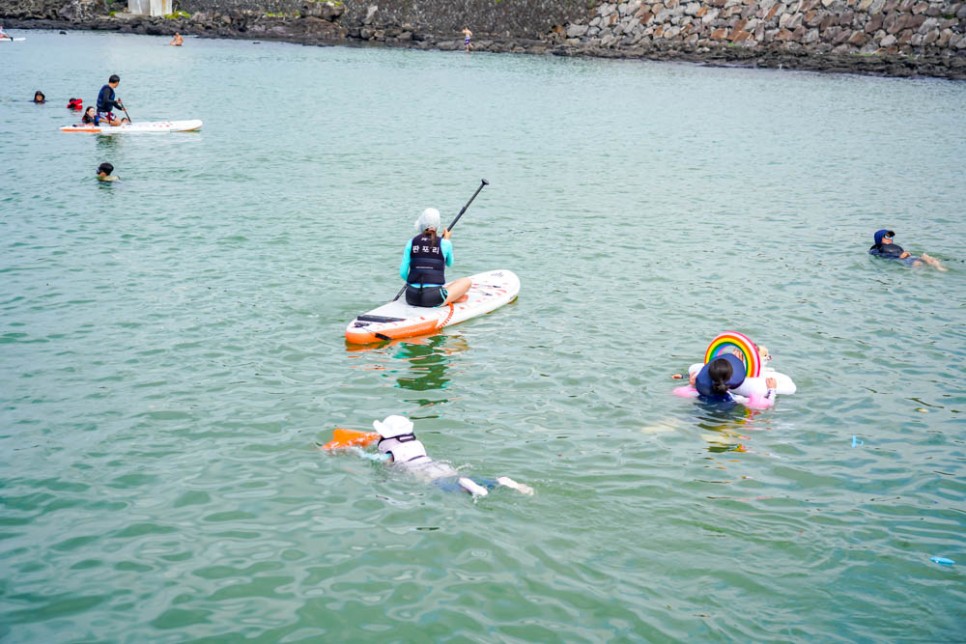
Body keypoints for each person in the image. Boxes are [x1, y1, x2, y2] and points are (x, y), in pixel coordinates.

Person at [362, 415, 533, 498]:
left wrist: (358, 453)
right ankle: (501, 481)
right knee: (457, 477)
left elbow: (379, 462)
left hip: (427, 475)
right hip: (438, 466)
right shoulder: (416, 443)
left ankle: (473, 488)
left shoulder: (391, 453)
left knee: (454, 487)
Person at [400, 207, 472, 307]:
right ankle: (451, 298)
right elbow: (450, 263)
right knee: (466, 282)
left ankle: (451, 298)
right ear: (437, 225)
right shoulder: (445, 243)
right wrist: (447, 240)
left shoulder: (411, 242)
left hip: (411, 297)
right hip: (433, 298)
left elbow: (402, 273)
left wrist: (415, 281)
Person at [868, 229, 946, 271]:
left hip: (905, 258)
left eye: (891, 237)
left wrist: (904, 255)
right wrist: (900, 256)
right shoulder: (875, 249)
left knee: (926, 258)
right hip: (900, 258)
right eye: (886, 237)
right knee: (918, 262)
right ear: (879, 238)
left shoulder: (894, 247)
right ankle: (931, 267)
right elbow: (880, 254)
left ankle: (939, 267)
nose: (890, 239)